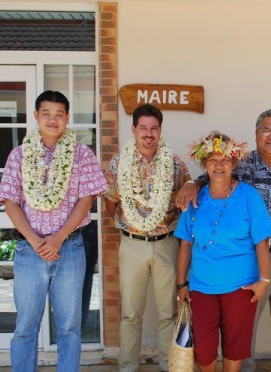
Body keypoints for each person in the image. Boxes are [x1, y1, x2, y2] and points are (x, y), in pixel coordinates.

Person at [176, 109, 271, 372]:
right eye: (265, 130)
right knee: (242, 331)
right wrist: (189, 184)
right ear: (256, 134)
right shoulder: (241, 164)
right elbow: (211, 176)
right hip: (253, 260)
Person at [0, 90, 108, 371]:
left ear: (67, 118)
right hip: (29, 251)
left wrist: (57, 238)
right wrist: (36, 242)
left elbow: (87, 199)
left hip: (69, 248)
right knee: (25, 326)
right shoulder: (19, 155)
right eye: (46, 113)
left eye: (59, 114)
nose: (53, 119)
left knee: (69, 326)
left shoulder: (82, 154)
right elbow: (10, 202)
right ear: (36, 116)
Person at [175, 131, 271, 372]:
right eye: (212, 161)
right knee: (204, 349)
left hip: (241, 286)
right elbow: (186, 243)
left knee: (235, 346)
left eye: (225, 161)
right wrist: (181, 284)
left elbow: (261, 240)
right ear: (204, 165)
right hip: (202, 286)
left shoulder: (248, 196)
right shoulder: (195, 198)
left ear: (234, 163)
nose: (219, 166)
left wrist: (264, 279)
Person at [104, 103, 191, 372]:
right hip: (132, 244)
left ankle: (169, 366)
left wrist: (191, 183)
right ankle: (128, 367)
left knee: (168, 313)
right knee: (130, 314)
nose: (149, 134)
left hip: (166, 244)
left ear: (160, 130)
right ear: (134, 129)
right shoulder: (119, 164)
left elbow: (188, 192)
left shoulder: (174, 163)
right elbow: (110, 202)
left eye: (154, 128)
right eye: (143, 128)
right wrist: (129, 224)